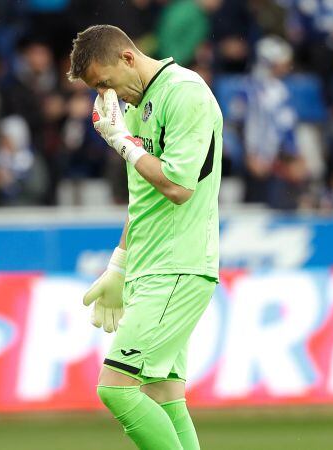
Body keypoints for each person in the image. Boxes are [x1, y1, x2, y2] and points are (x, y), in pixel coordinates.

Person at [68, 25, 222, 449]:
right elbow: (144, 201)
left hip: (178, 266)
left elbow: (177, 186)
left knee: (114, 388)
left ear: (128, 59)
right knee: (164, 396)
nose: (105, 95)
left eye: (105, 83)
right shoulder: (134, 105)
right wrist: (119, 265)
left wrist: (124, 144)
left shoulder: (185, 93)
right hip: (151, 269)